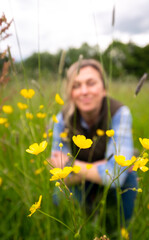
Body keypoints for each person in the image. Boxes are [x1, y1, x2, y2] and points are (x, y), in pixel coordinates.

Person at [50, 59, 137, 228]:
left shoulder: (120, 113)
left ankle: (119, 230)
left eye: (91, 83)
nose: (84, 91)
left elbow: (116, 176)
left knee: (128, 178)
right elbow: (58, 174)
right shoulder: (62, 118)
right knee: (60, 197)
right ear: (70, 92)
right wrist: (101, 166)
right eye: (76, 85)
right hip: (78, 184)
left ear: (104, 89)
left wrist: (70, 164)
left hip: (114, 186)